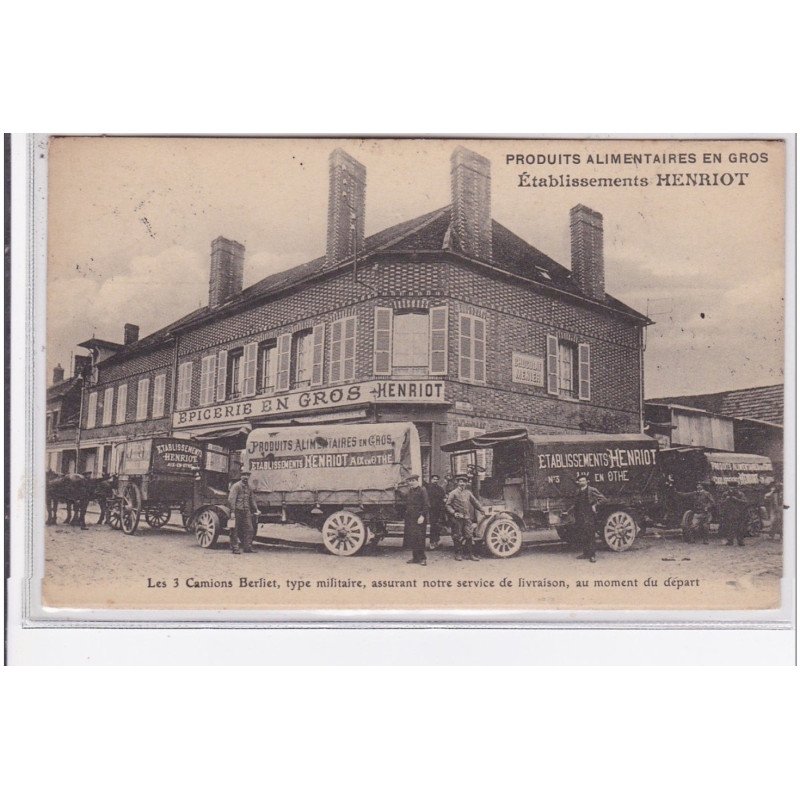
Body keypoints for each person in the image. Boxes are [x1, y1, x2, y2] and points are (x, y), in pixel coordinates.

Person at [445, 473, 485, 562]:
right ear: (457, 483)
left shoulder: (468, 493)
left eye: (464, 482)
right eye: (461, 482)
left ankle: (471, 554)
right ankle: (458, 554)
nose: (462, 483)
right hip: (457, 518)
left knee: (469, 535)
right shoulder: (453, 493)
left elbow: (475, 502)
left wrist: (481, 509)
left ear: (466, 483)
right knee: (457, 536)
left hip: (467, 518)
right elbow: (447, 505)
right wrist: (454, 513)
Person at [573, 474, 607, 563]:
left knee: (591, 535)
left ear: (587, 481)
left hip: (589, 516)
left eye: (583, 481)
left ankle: (592, 556)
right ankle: (585, 553)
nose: (581, 482)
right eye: (580, 481)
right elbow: (575, 504)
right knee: (583, 535)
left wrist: (595, 505)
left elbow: (603, 499)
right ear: (578, 482)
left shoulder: (591, 490)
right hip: (580, 516)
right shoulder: (577, 491)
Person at [227, 467, 259, 554]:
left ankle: (247, 547)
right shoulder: (236, 486)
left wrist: (256, 509)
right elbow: (231, 499)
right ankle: (235, 548)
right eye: (244, 475)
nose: (246, 477)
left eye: (247, 475)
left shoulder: (249, 487)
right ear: (241, 476)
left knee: (250, 529)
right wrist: (232, 512)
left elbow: (252, 500)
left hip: (246, 511)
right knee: (234, 529)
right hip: (237, 511)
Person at [402, 474, 429, 565]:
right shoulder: (410, 491)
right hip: (411, 518)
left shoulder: (422, 490)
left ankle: (423, 558)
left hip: (419, 518)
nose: (411, 483)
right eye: (410, 481)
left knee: (420, 538)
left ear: (417, 481)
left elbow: (426, 504)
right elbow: (405, 498)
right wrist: (396, 490)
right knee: (413, 538)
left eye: (413, 481)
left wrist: (422, 516)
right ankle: (415, 558)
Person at [426, 475, 447, 550]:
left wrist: (444, 500)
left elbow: (443, 497)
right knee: (433, 526)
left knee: (438, 525)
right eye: (434, 479)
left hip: (439, 509)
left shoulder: (440, 489)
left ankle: (437, 541)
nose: (435, 481)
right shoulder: (427, 488)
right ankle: (432, 542)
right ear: (431, 480)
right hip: (431, 509)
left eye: (437, 479)